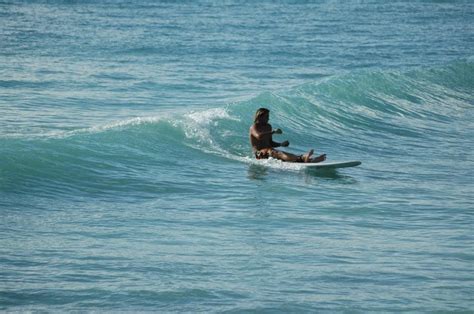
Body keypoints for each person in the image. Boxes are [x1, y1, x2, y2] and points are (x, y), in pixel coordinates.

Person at [249, 108, 326, 163]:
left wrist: (281, 144)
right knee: (274, 152)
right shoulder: (254, 127)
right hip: (259, 155)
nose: (268, 118)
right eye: (266, 117)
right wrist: (272, 132)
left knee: (280, 153)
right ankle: (302, 158)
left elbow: (270, 143)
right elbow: (259, 136)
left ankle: (308, 160)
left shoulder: (268, 126)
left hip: (268, 152)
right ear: (260, 117)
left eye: (268, 116)